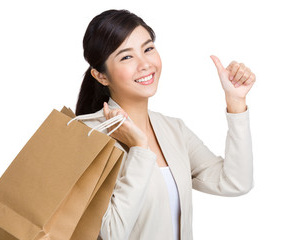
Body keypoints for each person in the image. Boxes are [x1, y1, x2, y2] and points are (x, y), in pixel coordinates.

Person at [75, 9, 255, 240]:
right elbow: (111, 234)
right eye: (126, 56)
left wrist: (236, 102)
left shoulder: (173, 130)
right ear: (101, 76)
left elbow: (236, 182)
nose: (145, 64)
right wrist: (139, 149)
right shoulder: (88, 136)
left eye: (148, 49)